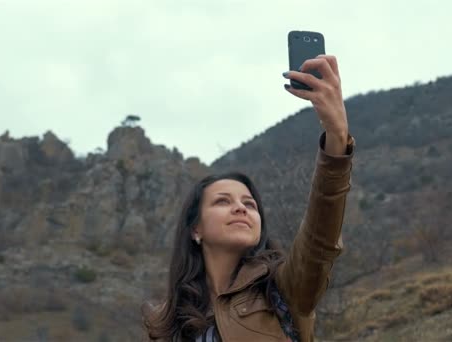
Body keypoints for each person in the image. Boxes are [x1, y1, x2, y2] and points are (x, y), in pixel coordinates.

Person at [142, 55, 355, 341]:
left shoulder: (284, 290)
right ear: (196, 229)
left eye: (249, 204)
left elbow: (320, 241)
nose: (240, 208)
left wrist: (337, 136)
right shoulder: (166, 323)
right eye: (222, 201)